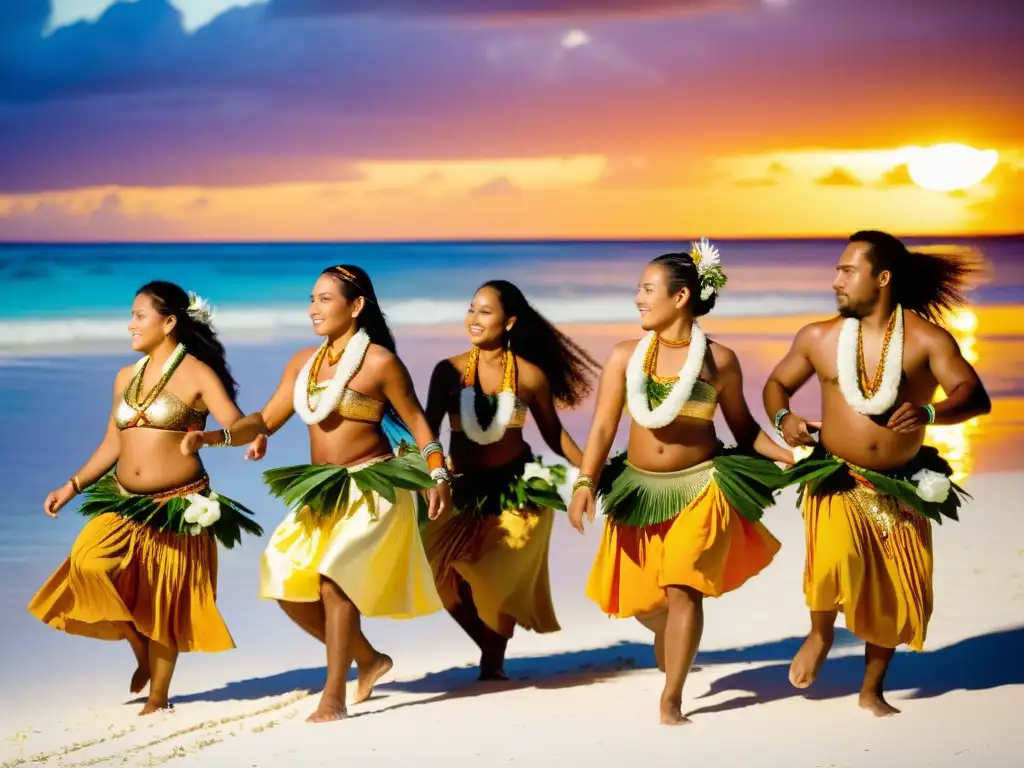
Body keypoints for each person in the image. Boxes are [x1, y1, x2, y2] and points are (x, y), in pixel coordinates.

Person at [764, 230, 990, 716]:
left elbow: (973, 394)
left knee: (894, 591)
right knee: (832, 564)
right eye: (837, 271)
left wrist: (931, 415)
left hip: (901, 485)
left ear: (881, 278)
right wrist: (785, 419)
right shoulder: (818, 337)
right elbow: (778, 383)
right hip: (838, 479)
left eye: (847, 271)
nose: (835, 281)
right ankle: (821, 631)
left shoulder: (927, 340)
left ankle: (872, 690)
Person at [568, 240, 793, 725]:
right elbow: (604, 426)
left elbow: (746, 431)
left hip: (701, 487)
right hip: (639, 491)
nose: (638, 298)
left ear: (682, 297)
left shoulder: (720, 360)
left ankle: (672, 698)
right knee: (648, 604)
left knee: (683, 586)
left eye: (648, 289)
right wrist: (585, 482)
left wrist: (794, 456)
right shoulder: (625, 355)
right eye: (639, 289)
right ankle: (671, 633)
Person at [225, 265, 450, 724]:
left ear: (356, 306)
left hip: (374, 486)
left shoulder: (380, 363)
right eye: (312, 299)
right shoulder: (304, 364)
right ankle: (368, 659)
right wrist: (213, 438)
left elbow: (418, 419)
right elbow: (264, 418)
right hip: (322, 491)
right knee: (287, 580)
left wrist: (438, 470)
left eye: (325, 299)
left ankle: (334, 697)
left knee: (334, 580)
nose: (314, 308)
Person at [28, 281, 262, 715]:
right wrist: (71, 485)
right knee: (88, 563)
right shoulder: (125, 377)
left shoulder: (196, 373)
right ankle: (140, 653)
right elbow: (112, 444)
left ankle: (158, 698)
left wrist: (210, 437)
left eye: (139, 316)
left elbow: (246, 425)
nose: (130, 324)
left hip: (178, 506)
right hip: (123, 504)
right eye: (132, 315)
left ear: (169, 322)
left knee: (164, 602)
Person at [422, 280, 600, 680]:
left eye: (485, 312)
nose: (473, 319)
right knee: (440, 575)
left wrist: (591, 473)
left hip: (517, 491)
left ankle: (492, 664)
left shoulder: (531, 377)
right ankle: (488, 645)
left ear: (510, 322)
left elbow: (555, 436)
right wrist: (427, 472)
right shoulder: (448, 372)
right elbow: (426, 430)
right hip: (462, 489)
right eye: (471, 309)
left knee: (498, 576)